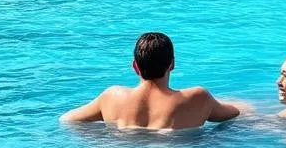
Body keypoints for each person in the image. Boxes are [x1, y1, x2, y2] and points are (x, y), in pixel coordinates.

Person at [60, 32, 245, 129]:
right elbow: (234, 114)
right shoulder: (197, 98)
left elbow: (67, 120)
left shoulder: (112, 97)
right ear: (172, 64)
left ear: (135, 66)